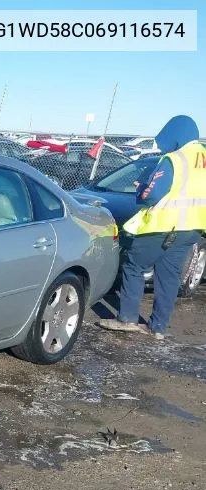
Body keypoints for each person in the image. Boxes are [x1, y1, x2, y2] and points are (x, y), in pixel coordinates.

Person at [98, 115, 206, 340]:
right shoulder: (203, 157)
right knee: (169, 275)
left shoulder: (175, 159)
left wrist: (141, 189)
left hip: (164, 226)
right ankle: (157, 327)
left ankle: (126, 319)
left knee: (134, 266)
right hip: (192, 228)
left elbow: (153, 194)